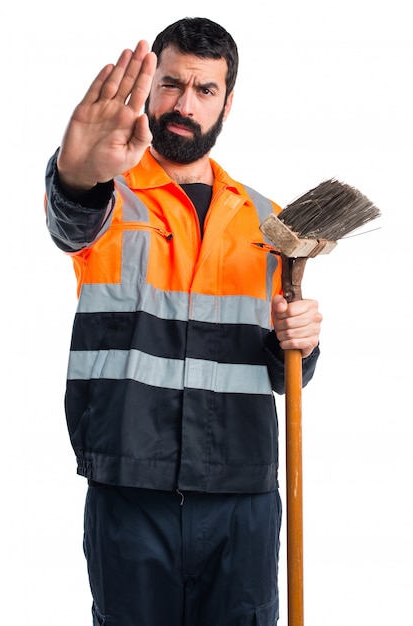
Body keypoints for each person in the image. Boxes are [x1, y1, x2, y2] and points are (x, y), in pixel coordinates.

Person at [45, 17, 322, 626]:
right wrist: (74, 173)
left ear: (227, 102)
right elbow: (69, 219)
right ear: (150, 88)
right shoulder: (108, 195)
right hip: (129, 486)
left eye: (205, 91)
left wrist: (303, 339)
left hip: (242, 496)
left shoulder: (269, 220)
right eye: (171, 84)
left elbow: (282, 373)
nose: (183, 105)